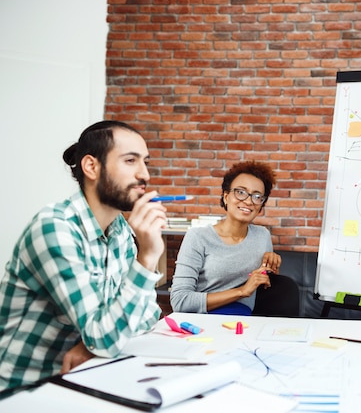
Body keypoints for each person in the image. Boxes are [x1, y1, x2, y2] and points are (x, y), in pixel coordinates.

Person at [0, 120, 166, 395]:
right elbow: (105, 337)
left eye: (145, 162)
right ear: (91, 167)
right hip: (21, 392)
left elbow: (148, 316)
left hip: (81, 380)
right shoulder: (55, 228)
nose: (144, 174)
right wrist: (147, 258)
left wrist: (92, 342)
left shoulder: (120, 231)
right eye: (130, 161)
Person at [170, 161, 281, 316]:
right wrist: (241, 291)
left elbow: (262, 281)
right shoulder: (198, 237)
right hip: (201, 321)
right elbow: (180, 301)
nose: (248, 201)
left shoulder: (262, 236)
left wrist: (271, 263)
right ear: (226, 196)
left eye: (257, 196)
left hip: (242, 322)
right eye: (240, 192)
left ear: (261, 205)